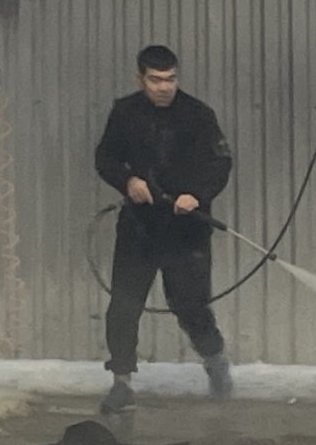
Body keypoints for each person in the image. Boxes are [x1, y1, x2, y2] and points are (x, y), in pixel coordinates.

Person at [93, 44, 234, 412]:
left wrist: (197, 195)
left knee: (190, 306)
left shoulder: (198, 115)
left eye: (170, 79)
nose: (164, 87)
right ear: (140, 79)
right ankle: (121, 381)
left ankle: (216, 362)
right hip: (139, 228)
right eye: (155, 80)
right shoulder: (125, 113)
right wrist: (128, 181)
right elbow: (105, 157)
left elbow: (220, 163)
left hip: (187, 230)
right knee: (123, 307)